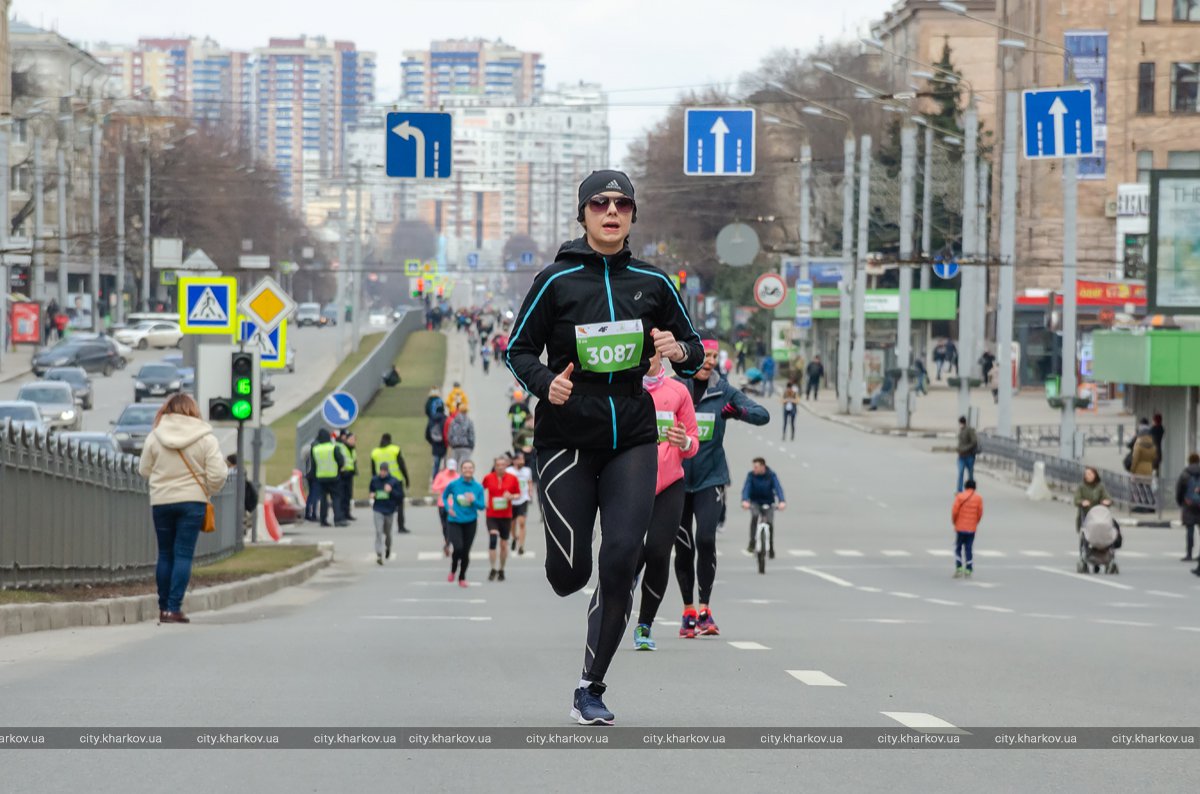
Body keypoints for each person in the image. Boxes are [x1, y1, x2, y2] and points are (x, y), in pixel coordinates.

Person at [505, 168, 704, 725]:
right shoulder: (555, 281)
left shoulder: (655, 283)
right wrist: (546, 384)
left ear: (633, 215)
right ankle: (564, 561)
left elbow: (692, 344)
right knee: (570, 574)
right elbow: (516, 350)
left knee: (621, 558)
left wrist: (678, 348)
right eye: (599, 203)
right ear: (583, 214)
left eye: (621, 204)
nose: (611, 212)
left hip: (633, 437)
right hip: (567, 435)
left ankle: (591, 685)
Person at [674, 333, 769, 641]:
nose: (708, 362)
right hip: (676, 478)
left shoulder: (723, 391)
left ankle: (705, 609)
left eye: (713, 357)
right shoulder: (677, 388)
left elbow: (762, 415)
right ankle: (688, 610)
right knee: (684, 546)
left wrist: (738, 411)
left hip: (710, 477)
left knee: (705, 539)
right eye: (703, 356)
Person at [630, 348, 699, 652]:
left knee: (658, 552)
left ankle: (645, 624)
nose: (646, 361)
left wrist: (683, 441)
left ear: (661, 357)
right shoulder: (622, 391)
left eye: (651, 355)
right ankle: (625, 578)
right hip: (630, 483)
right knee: (626, 551)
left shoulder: (678, 392)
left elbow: (693, 442)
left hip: (669, 482)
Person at [137, 393, 227, 624]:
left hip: (161, 501)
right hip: (193, 501)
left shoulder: (155, 436)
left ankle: (163, 607)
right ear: (193, 410)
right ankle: (174, 608)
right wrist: (208, 489)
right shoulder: (205, 437)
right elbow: (217, 474)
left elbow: (144, 470)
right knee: (183, 553)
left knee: (165, 554)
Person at [442, 460, 486, 587]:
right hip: (454, 521)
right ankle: (453, 569)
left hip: (470, 522)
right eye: (465, 468)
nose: (468, 470)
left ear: (473, 470)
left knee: (466, 551)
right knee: (458, 548)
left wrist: (473, 501)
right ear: (461, 470)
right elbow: (444, 497)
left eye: (470, 468)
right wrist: (447, 508)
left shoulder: (477, 487)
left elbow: (482, 506)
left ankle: (462, 577)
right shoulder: (454, 484)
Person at [482, 455, 521, 581]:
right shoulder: (488, 478)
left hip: (506, 515)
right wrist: (483, 502)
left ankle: (501, 569)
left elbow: (518, 494)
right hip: (492, 515)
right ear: (495, 466)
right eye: (498, 465)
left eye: (503, 465)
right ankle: (493, 568)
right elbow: (479, 489)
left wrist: (511, 496)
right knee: (493, 540)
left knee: (504, 545)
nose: (500, 467)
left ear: (506, 466)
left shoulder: (513, 478)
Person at [741, 457, 787, 555]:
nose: (754, 469)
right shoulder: (751, 475)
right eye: (754, 467)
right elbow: (746, 488)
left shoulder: (771, 475)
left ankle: (771, 547)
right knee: (755, 516)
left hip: (768, 502)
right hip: (755, 502)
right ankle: (752, 543)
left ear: (763, 467)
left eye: (756, 467)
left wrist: (782, 501)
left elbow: (778, 488)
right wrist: (745, 500)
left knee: (770, 523)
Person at [370, 433, 410, 533]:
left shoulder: (375, 452)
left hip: (380, 481)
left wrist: (375, 482)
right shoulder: (395, 450)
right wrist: (407, 478)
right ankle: (401, 526)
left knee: (381, 501)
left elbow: (373, 470)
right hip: (396, 481)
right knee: (400, 503)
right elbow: (402, 465)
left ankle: (383, 526)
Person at [308, 429, 347, 526]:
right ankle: (337, 519)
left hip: (321, 477)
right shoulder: (334, 448)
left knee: (323, 499)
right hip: (334, 476)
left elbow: (313, 464)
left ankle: (323, 520)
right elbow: (341, 460)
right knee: (336, 498)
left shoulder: (316, 449)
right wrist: (339, 469)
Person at [369, 462, 404, 565]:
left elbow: (400, 496)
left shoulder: (393, 481)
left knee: (387, 532)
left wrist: (391, 491)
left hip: (389, 510)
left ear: (387, 471)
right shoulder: (375, 480)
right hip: (378, 509)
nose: (382, 472)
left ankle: (388, 547)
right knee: (378, 531)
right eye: (381, 470)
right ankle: (379, 553)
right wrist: (372, 494)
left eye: (384, 471)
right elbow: (371, 490)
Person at [951, 479, 984, 578]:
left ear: (965, 487)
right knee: (969, 548)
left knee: (958, 547)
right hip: (971, 528)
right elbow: (980, 513)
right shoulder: (978, 498)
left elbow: (954, 511)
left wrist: (955, 522)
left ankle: (959, 567)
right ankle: (969, 568)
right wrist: (975, 522)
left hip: (960, 527)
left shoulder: (960, 497)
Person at [506, 450, 534, 555]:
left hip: (523, 498)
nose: (522, 461)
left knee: (521, 523)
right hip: (512, 500)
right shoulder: (509, 471)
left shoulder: (527, 470)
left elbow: (529, 482)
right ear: (514, 461)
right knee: (512, 524)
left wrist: (530, 491)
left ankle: (521, 546)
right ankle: (514, 537)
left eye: (523, 459)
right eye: (519, 459)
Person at [1175, 453, 1200, 565]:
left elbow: (1179, 490)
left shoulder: (1185, 474)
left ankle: (1189, 554)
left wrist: (1181, 502)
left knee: (1190, 531)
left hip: (1188, 505)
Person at [431, 459, 459, 557]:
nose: (451, 471)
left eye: (453, 469)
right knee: (444, 526)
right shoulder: (441, 475)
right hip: (442, 504)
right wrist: (445, 486)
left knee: (451, 525)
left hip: (454, 505)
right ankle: (447, 541)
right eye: (450, 469)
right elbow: (434, 487)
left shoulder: (457, 476)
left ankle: (448, 544)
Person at [225, 454, 258, 533]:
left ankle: (239, 534)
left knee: (235, 519)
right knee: (240, 518)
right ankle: (241, 532)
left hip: (234, 500)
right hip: (240, 500)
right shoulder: (242, 470)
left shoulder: (232, 471)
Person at [335, 431, 358, 522]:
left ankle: (347, 513)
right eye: (352, 439)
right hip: (342, 474)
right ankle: (341, 514)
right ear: (346, 439)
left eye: (354, 439)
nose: (353, 441)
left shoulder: (352, 448)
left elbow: (353, 461)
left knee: (348, 495)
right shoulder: (341, 447)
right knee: (342, 495)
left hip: (349, 474)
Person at [956, 416, 979, 493]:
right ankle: (959, 490)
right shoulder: (961, 431)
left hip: (969, 456)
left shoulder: (969, 430)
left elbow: (974, 441)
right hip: (961, 456)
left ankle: (971, 490)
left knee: (970, 474)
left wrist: (965, 448)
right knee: (960, 472)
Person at [426, 405, 448, 480]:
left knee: (436, 464)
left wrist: (431, 442)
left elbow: (427, 434)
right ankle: (444, 480)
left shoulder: (431, 419)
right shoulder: (445, 419)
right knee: (445, 465)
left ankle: (435, 480)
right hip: (444, 445)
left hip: (435, 445)